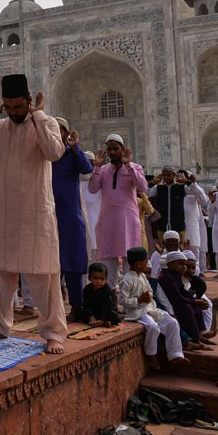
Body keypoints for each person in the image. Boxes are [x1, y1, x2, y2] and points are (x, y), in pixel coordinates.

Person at [0, 74, 67, 354]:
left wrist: (37, 117)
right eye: (8, 108)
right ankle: (0, 326)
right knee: (1, 269)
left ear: (28, 101)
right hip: (3, 209)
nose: (12, 113)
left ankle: (53, 333)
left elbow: (54, 153)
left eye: (17, 107)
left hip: (35, 209)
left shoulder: (45, 122)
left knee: (43, 272)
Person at [88, 134, 147, 288]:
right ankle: (111, 300)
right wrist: (97, 168)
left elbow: (142, 187)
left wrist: (129, 166)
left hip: (128, 221)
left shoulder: (134, 167)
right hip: (108, 221)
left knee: (131, 261)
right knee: (108, 261)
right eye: (109, 149)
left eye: (115, 148)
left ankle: (131, 300)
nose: (112, 152)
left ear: (123, 149)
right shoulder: (103, 170)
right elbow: (93, 189)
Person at [119, 247, 188, 371]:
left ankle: (175, 355)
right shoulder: (127, 279)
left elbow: (150, 291)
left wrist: (148, 296)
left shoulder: (142, 276)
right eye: (146, 261)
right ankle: (151, 355)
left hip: (150, 308)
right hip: (136, 312)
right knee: (152, 327)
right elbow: (122, 300)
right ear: (139, 264)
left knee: (172, 322)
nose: (147, 264)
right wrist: (138, 300)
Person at [50, 117, 92, 307]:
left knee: (73, 262)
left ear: (65, 133)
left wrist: (76, 149)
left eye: (57, 129)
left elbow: (87, 168)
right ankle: (51, 309)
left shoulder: (72, 154)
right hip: (48, 215)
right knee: (50, 264)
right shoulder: (46, 154)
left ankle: (77, 306)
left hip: (69, 215)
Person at [159, 251, 210, 350]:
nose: (184, 267)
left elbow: (184, 293)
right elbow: (177, 298)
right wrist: (194, 302)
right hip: (171, 306)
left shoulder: (176, 276)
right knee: (187, 309)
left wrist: (196, 301)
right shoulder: (167, 278)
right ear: (170, 264)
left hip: (178, 303)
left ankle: (199, 335)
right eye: (181, 264)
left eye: (185, 265)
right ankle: (195, 340)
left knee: (196, 307)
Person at [177, 170, 209, 272]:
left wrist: (190, 183)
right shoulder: (175, 189)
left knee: (194, 249)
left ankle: (196, 272)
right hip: (178, 223)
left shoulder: (192, 189)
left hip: (192, 224)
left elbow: (203, 200)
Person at [148, 166, 187, 246]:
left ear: (174, 175)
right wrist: (152, 183)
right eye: (164, 175)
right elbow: (145, 193)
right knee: (163, 250)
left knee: (179, 249)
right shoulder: (158, 188)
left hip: (178, 225)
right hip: (162, 225)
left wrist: (186, 182)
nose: (166, 177)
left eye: (168, 175)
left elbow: (198, 192)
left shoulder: (182, 187)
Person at [73, 262, 120, 327]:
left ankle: (104, 322)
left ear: (106, 279)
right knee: (77, 311)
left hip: (105, 312)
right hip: (93, 312)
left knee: (114, 315)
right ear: (89, 278)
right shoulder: (87, 289)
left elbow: (106, 306)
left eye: (102, 279)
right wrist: (91, 317)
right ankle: (97, 322)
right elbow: (86, 305)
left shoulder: (107, 290)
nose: (99, 281)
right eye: (95, 278)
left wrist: (102, 319)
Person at [81, 151, 101, 262]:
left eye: (92, 163)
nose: (90, 166)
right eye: (87, 163)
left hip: (97, 233)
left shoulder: (99, 182)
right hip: (82, 232)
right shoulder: (77, 181)